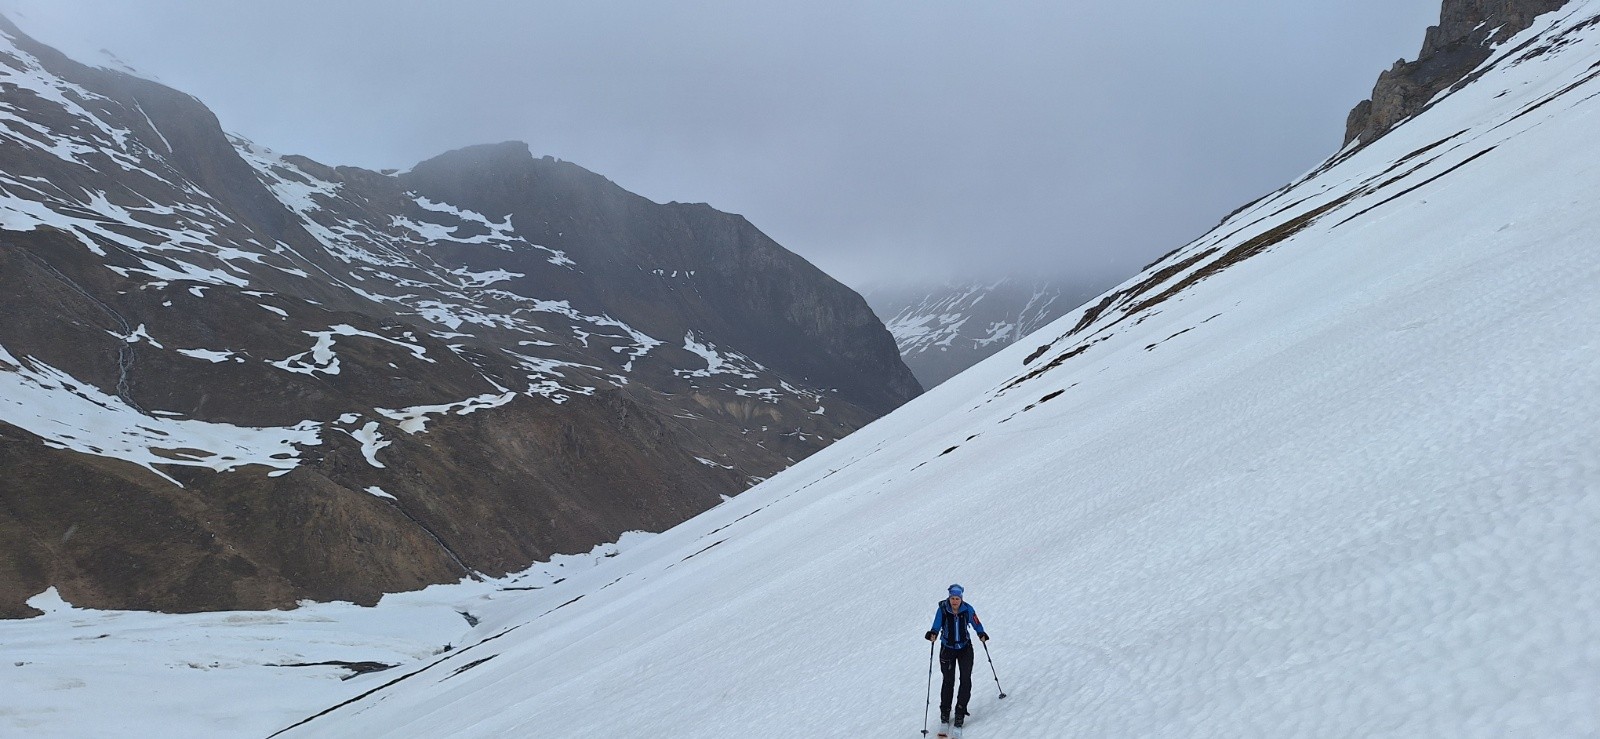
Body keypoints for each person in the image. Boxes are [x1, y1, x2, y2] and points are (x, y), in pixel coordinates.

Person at [924, 583, 988, 728]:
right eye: (952, 598)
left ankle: (960, 711)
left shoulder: (968, 609)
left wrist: (981, 633)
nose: (954, 601)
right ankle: (945, 712)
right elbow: (936, 625)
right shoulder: (942, 610)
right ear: (949, 598)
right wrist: (933, 634)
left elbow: (976, 623)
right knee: (948, 681)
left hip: (965, 648)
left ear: (961, 598)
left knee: (965, 679)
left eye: (957, 598)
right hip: (947, 649)